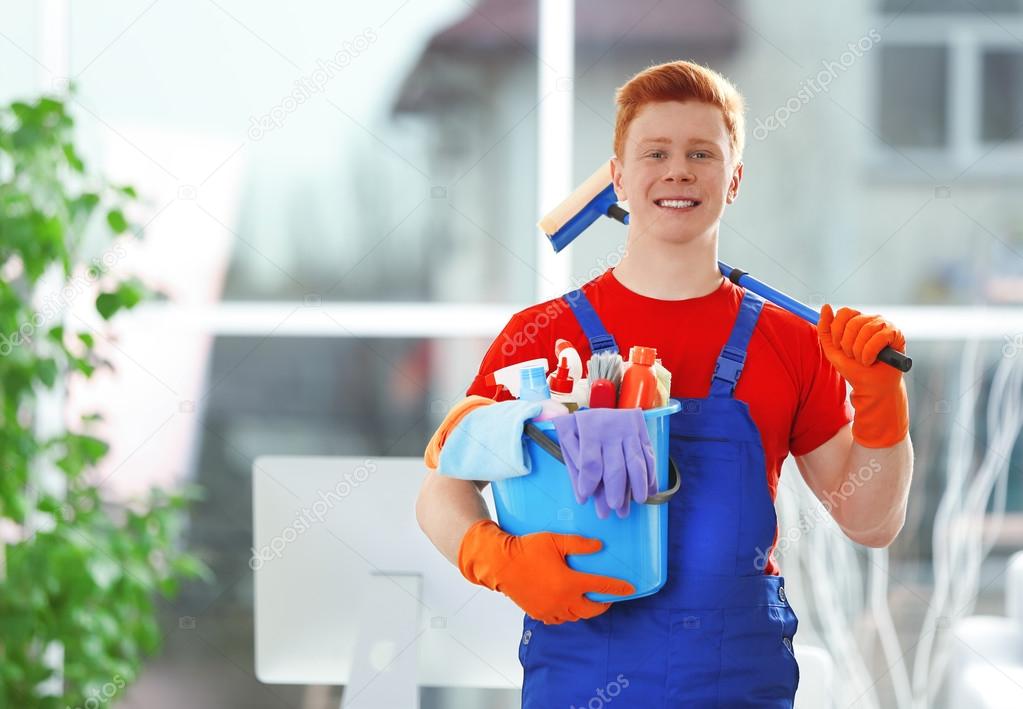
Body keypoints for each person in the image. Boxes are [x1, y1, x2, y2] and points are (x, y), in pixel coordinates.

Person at [416, 59, 913, 707]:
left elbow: (871, 521)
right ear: (618, 177)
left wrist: (878, 400)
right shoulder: (540, 335)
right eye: (655, 151)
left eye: (701, 153)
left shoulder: (791, 342)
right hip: (582, 669)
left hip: (736, 677)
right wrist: (497, 557)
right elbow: (440, 492)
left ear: (733, 179)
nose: (677, 169)